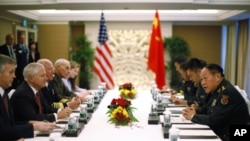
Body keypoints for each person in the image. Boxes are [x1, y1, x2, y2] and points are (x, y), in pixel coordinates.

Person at [182, 64, 250, 141]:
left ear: (217, 77)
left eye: (205, 78)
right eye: (201, 79)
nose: (203, 83)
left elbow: (214, 120)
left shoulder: (227, 93)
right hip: (222, 132)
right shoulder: (215, 90)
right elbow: (207, 108)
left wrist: (193, 116)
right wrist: (194, 111)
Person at [0, 54, 56, 140]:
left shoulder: (4, 94)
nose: (14, 76)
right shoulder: (22, 93)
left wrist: (29, 123)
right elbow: (2, 130)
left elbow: (11, 124)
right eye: (11, 72)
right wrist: (32, 126)